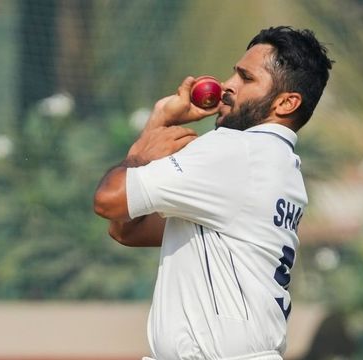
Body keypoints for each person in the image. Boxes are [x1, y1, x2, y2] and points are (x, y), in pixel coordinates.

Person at [94, 26, 333, 360]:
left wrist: (142, 155)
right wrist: (159, 123)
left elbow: (108, 201)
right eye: (234, 73)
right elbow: (126, 228)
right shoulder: (278, 164)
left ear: (287, 102)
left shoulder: (237, 150)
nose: (226, 86)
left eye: (246, 79)